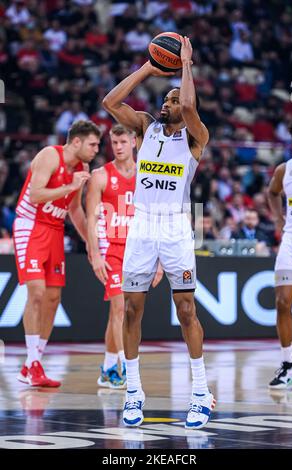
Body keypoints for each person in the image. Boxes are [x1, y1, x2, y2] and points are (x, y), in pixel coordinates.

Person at [102, 36, 215, 429]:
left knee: (186, 310)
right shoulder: (146, 128)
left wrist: (184, 65)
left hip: (175, 228)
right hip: (142, 225)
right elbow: (110, 104)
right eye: (164, 101)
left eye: (170, 101)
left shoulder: (195, 137)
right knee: (131, 310)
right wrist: (149, 68)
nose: (166, 105)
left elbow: (188, 105)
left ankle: (200, 392)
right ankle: (134, 392)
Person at [13, 120, 101, 387]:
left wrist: (90, 244)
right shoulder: (50, 155)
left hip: (55, 230)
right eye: (93, 144)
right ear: (76, 142)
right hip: (32, 224)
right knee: (37, 292)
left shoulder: (83, 168)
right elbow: (36, 195)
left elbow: (74, 209)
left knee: (53, 298)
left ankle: (31, 365)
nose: (97, 149)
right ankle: (33, 363)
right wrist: (69, 186)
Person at [86, 123, 163, 389]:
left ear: (133, 142)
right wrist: (94, 253)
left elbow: (158, 216)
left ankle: (108, 368)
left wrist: (160, 260)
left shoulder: (147, 172)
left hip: (139, 248)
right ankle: (129, 371)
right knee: (121, 307)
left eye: (122, 142)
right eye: (113, 143)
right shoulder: (100, 176)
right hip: (113, 249)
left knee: (117, 312)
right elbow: (91, 219)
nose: (118, 147)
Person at [267, 119, 292, 389]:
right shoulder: (284, 170)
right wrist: (278, 220)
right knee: (282, 303)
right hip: (291, 239)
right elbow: (272, 193)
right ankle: (289, 364)